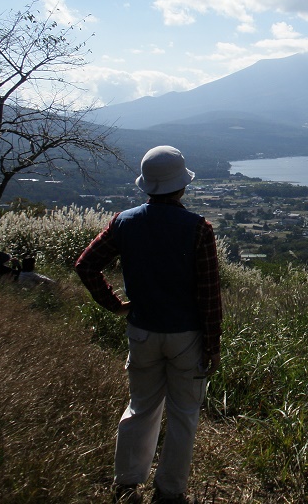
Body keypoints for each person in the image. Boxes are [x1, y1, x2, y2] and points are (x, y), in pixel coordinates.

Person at [75, 145, 223, 504]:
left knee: (141, 406)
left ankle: (127, 481)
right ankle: (170, 490)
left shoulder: (125, 221)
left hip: (142, 330)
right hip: (187, 335)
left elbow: (86, 265)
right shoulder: (198, 228)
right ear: (181, 185)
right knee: (184, 414)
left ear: (147, 185)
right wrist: (213, 345)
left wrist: (114, 305)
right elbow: (208, 295)